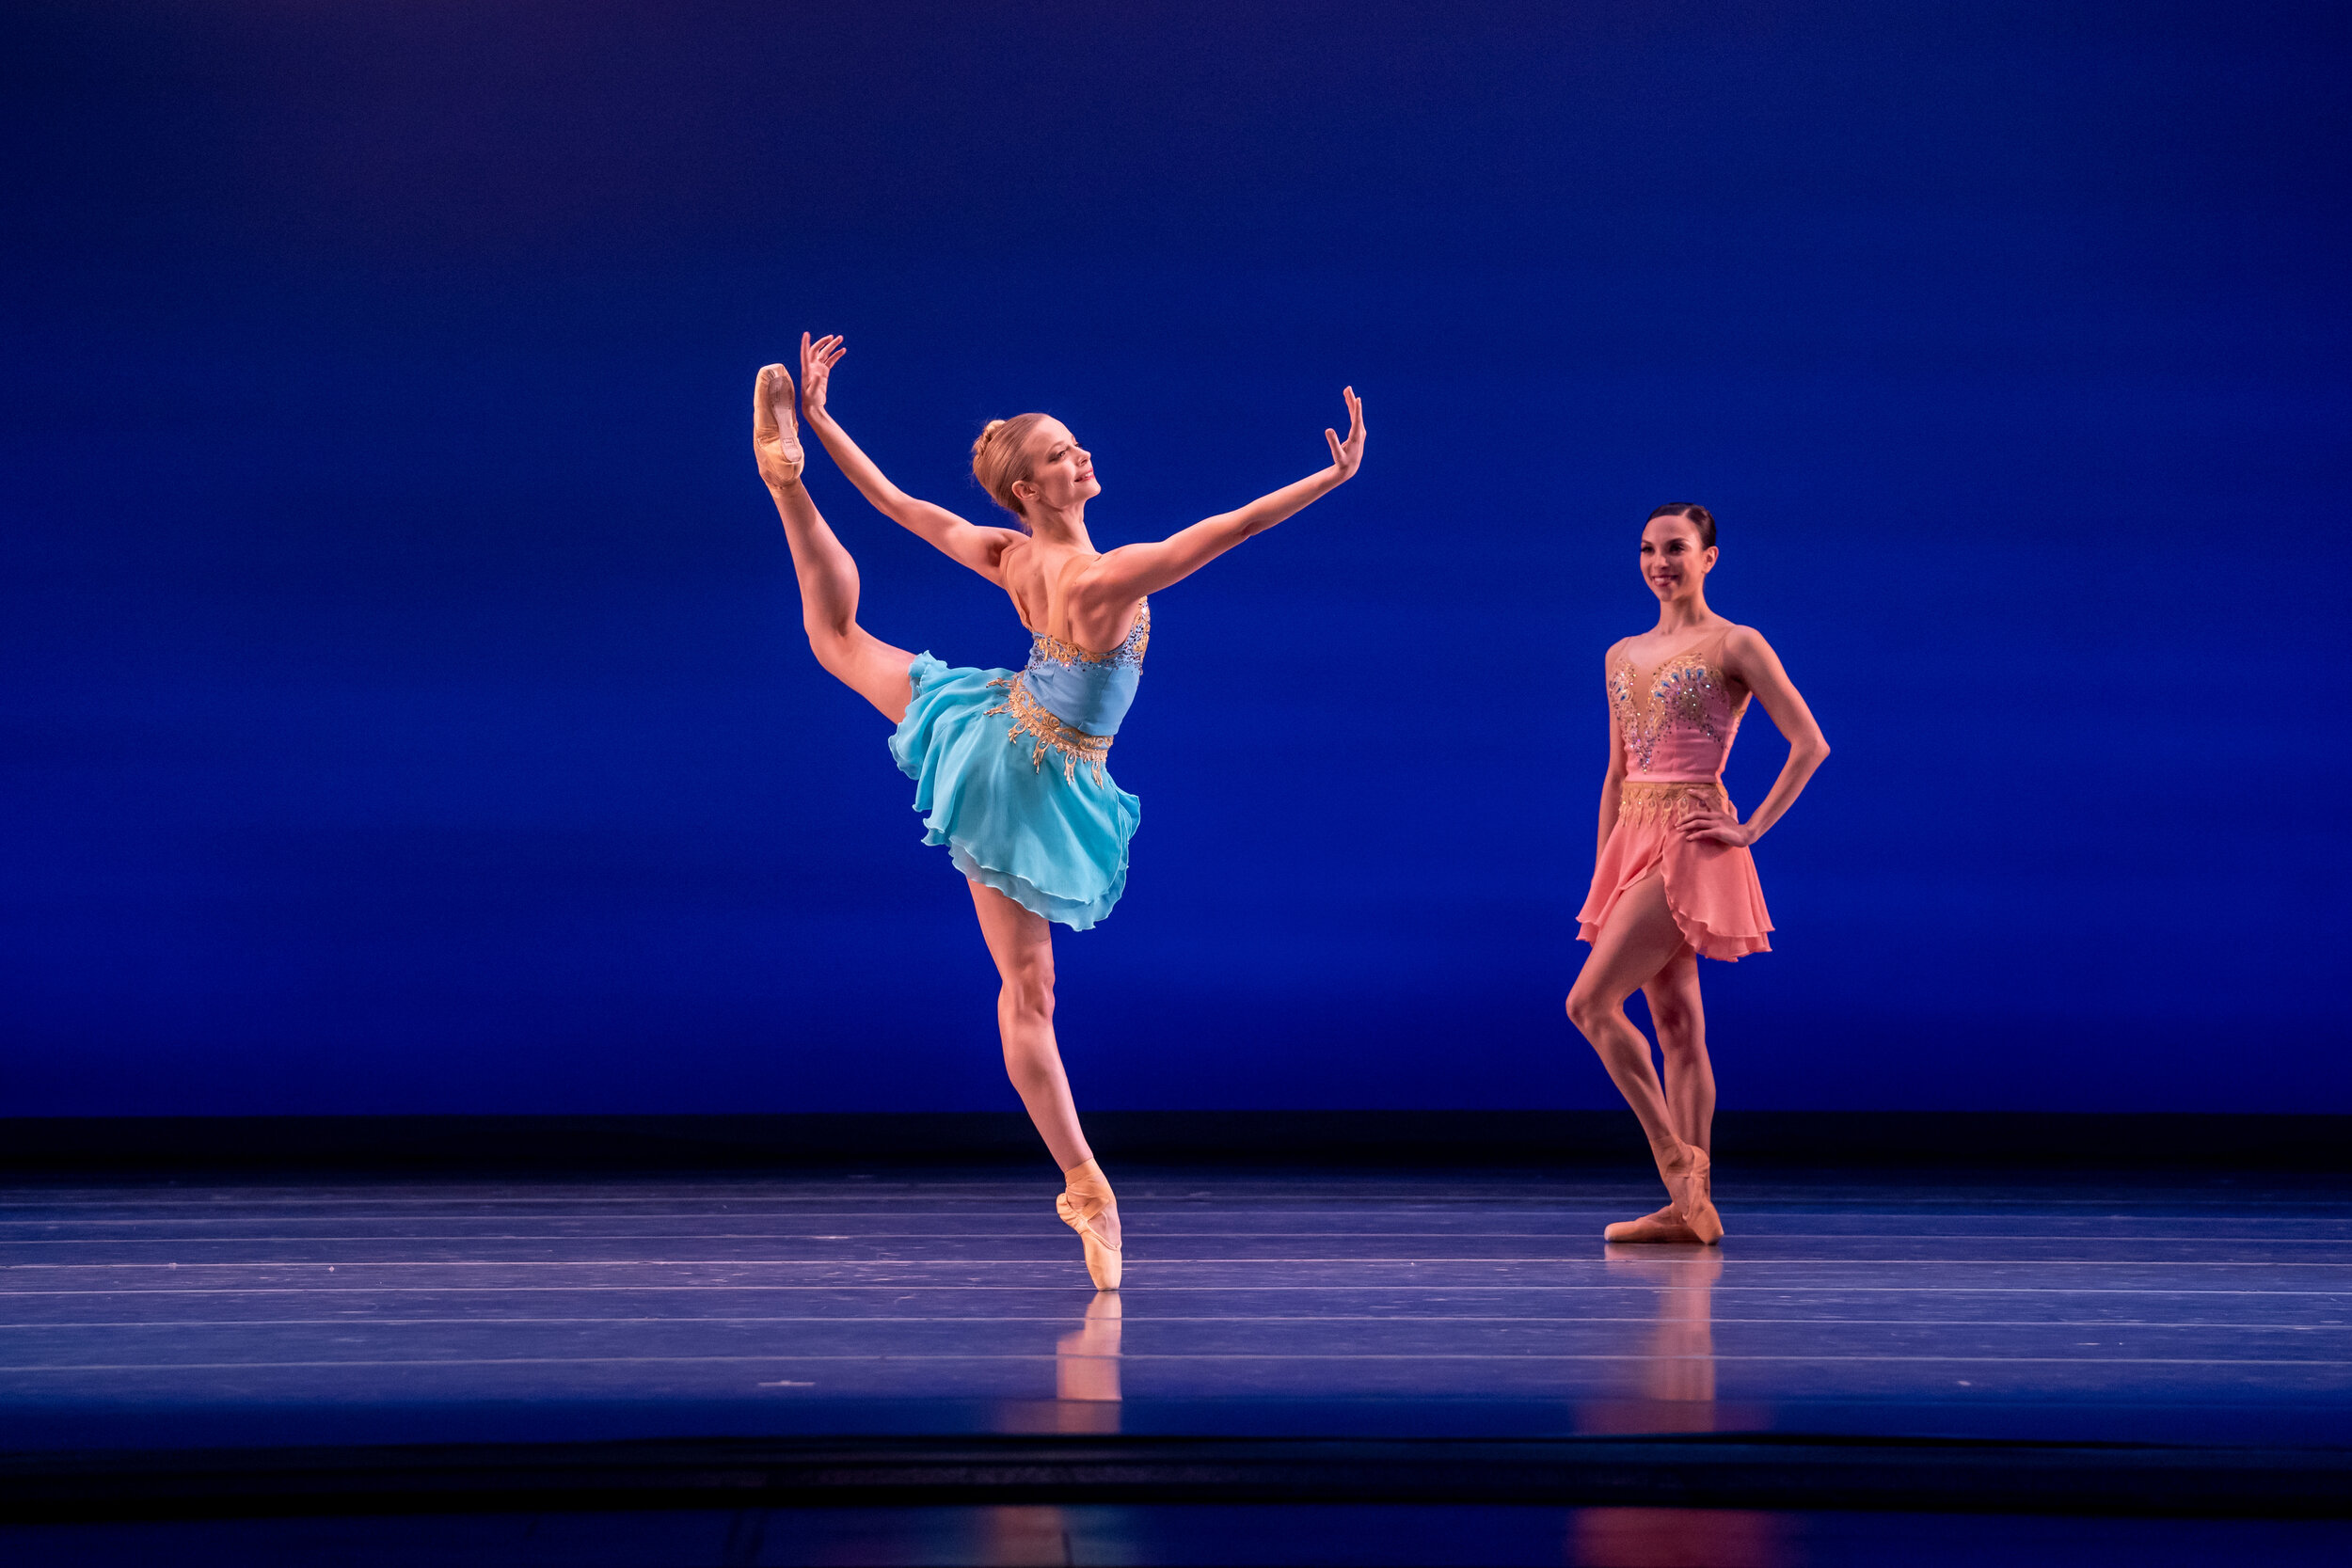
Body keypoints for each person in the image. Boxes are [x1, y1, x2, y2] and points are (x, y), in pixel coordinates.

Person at [752, 333, 1366, 1288]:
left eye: (1073, 447)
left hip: (995, 724)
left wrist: (825, 426)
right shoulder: (1097, 575)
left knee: (835, 636)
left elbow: (898, 506)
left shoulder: (1011, 554)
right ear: (1034, 490)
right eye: (1059, 456)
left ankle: (785, 485)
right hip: (1025, 773)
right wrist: (1328, 479)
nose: (1080, 457)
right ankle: (1085, 1184)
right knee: (1029, 997)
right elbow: (1229, 528)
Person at [1566, 505, 1829, 1243]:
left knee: (1588, 1005)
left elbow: (1809, 743)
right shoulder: (1620, 653)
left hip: (1691, 832)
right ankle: (1692, 1211)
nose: (1660, 562)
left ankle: (1676, 1162)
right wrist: (1605, 874)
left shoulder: (1735, 642)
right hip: (1633, 839)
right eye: (1648, 550)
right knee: (1677, 1024)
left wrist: (1748, 829)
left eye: (1676, 548)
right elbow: (1616, 774)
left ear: (1709, 557)